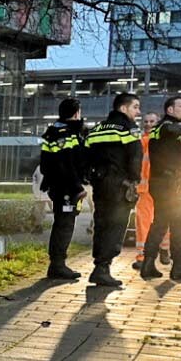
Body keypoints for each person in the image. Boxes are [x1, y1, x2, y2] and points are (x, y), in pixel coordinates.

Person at [81, 92, 144, 288]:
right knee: (115, 226)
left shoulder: (98, 128)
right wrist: (134, 180)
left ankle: (98, 265)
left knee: (100, 224)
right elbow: (135, 156)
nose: (138, 111)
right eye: (135, 107)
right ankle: (102, 269)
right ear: (123, 108)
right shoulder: (129, 128)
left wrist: (90, 176)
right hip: (120, 185)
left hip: (99, 184)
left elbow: (86, 155)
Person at [140, 96, 181, 282]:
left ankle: (148, 264)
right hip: (172, 184)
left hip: (160, 183)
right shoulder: (166, 127)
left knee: (159, 224)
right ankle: (178, 267)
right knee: (180, 225)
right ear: (170, 110)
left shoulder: (159, 130)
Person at [37, 98, 89, 279]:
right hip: (67, 190)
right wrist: (77, 188)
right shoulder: (67, 134)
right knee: (65, 225)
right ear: (76, 113)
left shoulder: (52, 132)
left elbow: (45, 165)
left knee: (61, 223)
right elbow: (66, 164)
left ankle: (57, 263)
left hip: (57, 188)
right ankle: (58, 265)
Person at [132, 113, 156, 270]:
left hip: (156, 189)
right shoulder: (140, 141)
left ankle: (156, 253)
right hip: (145, 190)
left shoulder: (153, 141)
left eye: (152, 121)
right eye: (146, 121)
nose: (148, 124)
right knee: (143, 224)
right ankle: (143, 256)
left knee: (157, 224)